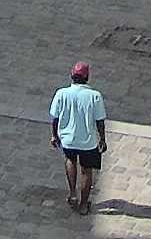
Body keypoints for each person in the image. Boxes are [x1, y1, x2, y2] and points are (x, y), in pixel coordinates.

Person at [50, 63, 109, 213]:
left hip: (68, 139)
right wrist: (102, 139)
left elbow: (55, 117)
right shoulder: (95, 96)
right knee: (86, 171)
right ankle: (83, 205)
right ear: (87, 77)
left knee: (70, 161)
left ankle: (72, 193)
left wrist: (54, 135)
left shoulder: (61, 93)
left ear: (72, 76)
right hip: (87, 141)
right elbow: (99, 120)